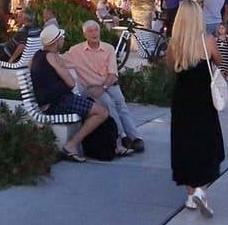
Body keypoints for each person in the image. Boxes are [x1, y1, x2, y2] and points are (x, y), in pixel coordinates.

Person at [168, 0, 224, 216]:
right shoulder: (207, 41)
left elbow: (172, 69)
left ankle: (191, 194)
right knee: (208, 144)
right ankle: (201, 189)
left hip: (182, 100)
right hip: (204, 101)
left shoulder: (174, 43)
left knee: (184, 143)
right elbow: (222, 63)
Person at [30, 25, 111, 162]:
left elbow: (32, 66)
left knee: (96, 102)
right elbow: (71, 83)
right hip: (56, 103)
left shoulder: (38, 55)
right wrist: (60, 67)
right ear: (56, 42)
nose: (63, 40)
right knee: (101, 112)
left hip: (52, 100)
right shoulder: (51, 57)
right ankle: (71, 145)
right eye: (61, 38)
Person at [64, 19, 145, 154]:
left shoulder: (108, 49)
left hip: (108, 84)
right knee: (108, 103)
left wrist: (104, 87)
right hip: (91, 88)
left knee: (120, 103)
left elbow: (112, 74)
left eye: (96, 30)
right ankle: (122, 136)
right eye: (90, 31)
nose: (94, 33)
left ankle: (135, 137)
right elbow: (58, 60)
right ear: (85, 35)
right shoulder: (75, 51)